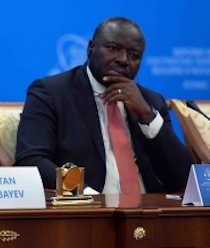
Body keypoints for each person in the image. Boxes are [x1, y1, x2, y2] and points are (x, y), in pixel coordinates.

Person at [15, 17, 192, 193]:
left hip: (147, 211)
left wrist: (147, 117)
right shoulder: (52, 93)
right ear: (91, 48)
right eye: (113, 49)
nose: (123, 60)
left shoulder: (150, 101)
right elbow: (32, 160)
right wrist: (83, 193)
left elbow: (183, 177)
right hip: (87, 211)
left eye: (134, 56)